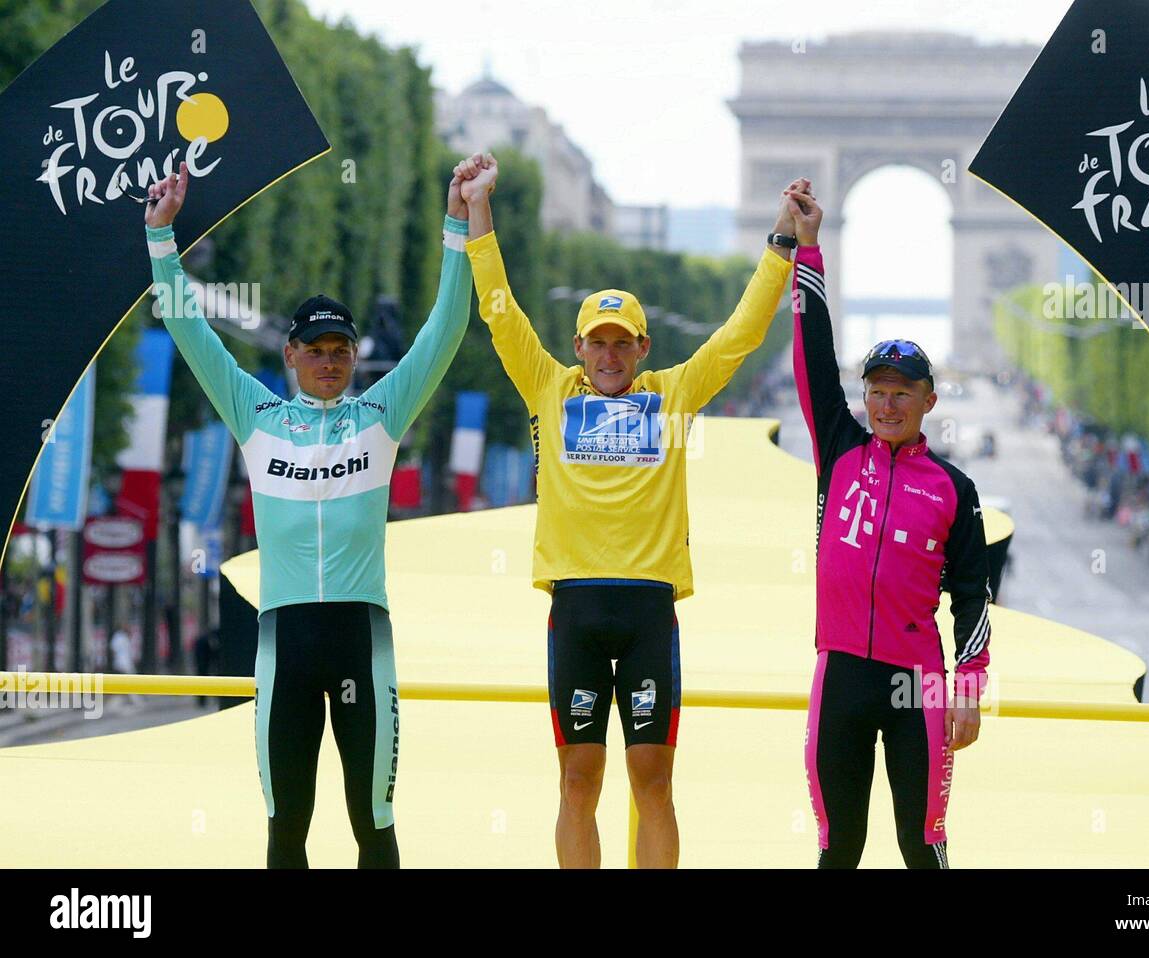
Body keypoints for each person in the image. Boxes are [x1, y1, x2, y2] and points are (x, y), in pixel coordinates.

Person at [456, 152, 797, 868]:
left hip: (647, 613)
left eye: (623, 343)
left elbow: (740, 334)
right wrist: (476, 208)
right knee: (578, 782)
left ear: (643, 348)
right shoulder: (549, 386)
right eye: (597, 342)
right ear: (578, 346)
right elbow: (499, 310)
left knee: (654, 785)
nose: (609, 354)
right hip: (576, 611)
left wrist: (780, 243)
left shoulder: (672, 394)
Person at [144, 160, 474, 868]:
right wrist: (161, 242)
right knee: (284, 826)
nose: (330, 363)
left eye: (341, 351)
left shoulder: (381, 413)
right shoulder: (255, 412)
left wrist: (455, 223)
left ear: (356, 357)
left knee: (374, 823)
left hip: (362, 637)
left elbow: (445, 330)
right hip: (282, 642)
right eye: (316, 351)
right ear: (290, 355)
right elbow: (190, 330)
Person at [787, 185, 992, 869]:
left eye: (902, 391)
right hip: (840, 668)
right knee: (837, 847)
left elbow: (973, 597)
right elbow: (814, 356)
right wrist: (808, 246)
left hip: (920, 681)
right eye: (876, 389)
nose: (887, 403)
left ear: (929, 400)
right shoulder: (839, 449)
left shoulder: (954, 489)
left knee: (922, 845)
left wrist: (968, 690)